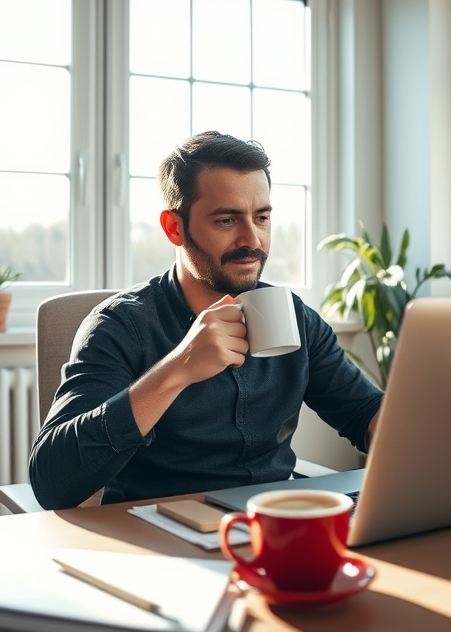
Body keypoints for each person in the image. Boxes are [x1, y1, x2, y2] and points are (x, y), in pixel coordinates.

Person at [29, 132, 383, 509]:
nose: (253, 240)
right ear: (174, 228)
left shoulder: (296, 317)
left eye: (261, 218)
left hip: (274, 522)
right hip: (159, 528)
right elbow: (52, 483)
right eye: (227, 220)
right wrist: (178, 368)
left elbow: (366, 414)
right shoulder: (119, 327)